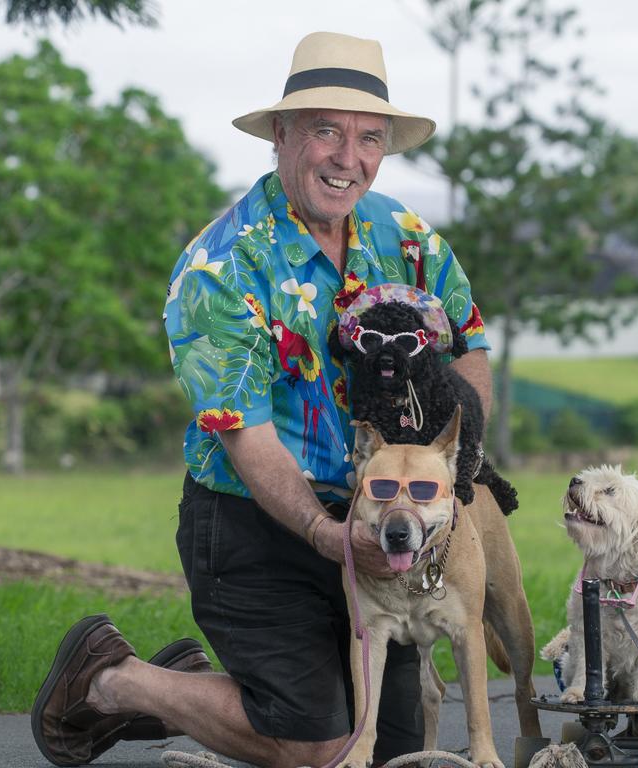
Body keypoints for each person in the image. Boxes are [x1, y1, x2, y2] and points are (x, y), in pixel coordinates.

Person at [31, 31, 493, 768]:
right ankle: (114, 679)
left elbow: (468, 340)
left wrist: (459, 472)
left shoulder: (404, 235)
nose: (350, 159)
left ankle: (213, 692)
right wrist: (326, 535)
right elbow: (249, 439)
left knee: (392, 753)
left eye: (369, 138)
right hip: (252, 525)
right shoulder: (220, 266)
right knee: (323, 749)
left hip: (377, 513)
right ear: (281, 134)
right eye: (326, 132)